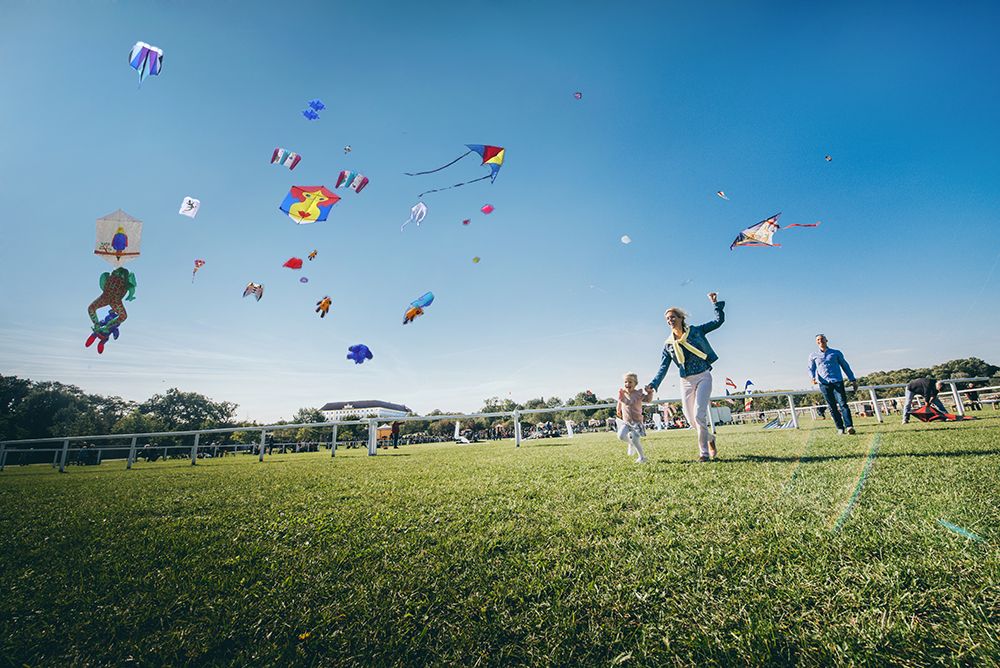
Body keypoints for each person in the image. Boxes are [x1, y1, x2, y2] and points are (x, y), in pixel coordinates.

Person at [645, 293, 725, 462]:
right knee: (690, 419)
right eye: (667, 319)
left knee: (699, 414)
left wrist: (715, 304)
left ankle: (704, 453)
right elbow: (663, 368)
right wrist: (653, 384)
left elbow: (718, 322)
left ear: (681, 318)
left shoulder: (696, 331)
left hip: (703, 375)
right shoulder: (668, 345)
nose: (669, 320)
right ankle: (710, 438)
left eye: (672, 317)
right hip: (686, 381)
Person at [808, 334, 858, 435]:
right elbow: (811, 368)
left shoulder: (836, 353)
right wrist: (812, 378)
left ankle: (849, 426)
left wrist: (852, 379)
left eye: (822, 339)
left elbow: (845, 366)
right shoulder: (813, 355)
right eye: (818, 340)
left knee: (843, 404)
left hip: (837, 382)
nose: (820, 341)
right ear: (816, 342)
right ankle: (840, 428)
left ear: (826, 340)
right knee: (832, 407)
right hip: (824, 384)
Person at [617, 373, 653, 464]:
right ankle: (630, 443)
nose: (627, 384)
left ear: (635, 383)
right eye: (625, 382)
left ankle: (642, 457)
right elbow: (620, 402)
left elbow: (648, 400)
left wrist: (649, 392)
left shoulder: (638, 394)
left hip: (637, 422)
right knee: (621, 436)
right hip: (626, 422)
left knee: (636, 440)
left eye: (630, 382)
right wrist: (618, 409)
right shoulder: (623, 394)